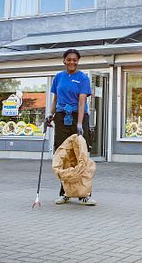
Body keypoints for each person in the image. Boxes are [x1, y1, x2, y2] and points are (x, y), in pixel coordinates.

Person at [46, 48, 96, 206]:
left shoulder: (83, 78)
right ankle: (64, 193)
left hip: (78, 116)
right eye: (69, 59)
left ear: (78, 61)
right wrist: (50, 114)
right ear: (64, 61)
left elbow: (82, 102)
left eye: (75, 59)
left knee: (81, 156)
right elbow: (56, 99)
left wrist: (80, 123)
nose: (72, 62)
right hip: (62, 118)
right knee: (63, 155)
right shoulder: (59, 77)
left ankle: (84, 194)